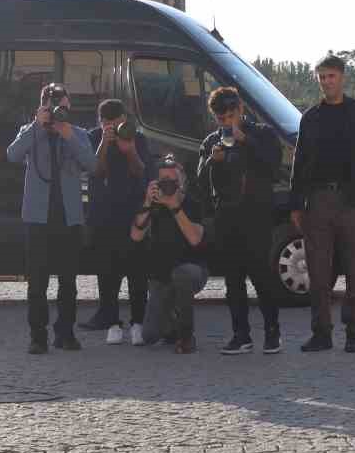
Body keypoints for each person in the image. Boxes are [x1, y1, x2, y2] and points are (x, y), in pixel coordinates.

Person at [289, 54, 355, 353]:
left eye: (331, 76)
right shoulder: (310, 118)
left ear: (342, 77)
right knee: (318, 272)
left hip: (353, 201)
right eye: (322, 77)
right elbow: (299, 163)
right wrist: (296, 203)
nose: (327, 82)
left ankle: (354, 331)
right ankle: (321, 332)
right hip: (317, 201)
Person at [7, 83, 96, 353]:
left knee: (68, 281)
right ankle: (38, 335)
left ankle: (65, 332)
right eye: (53, 105)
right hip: (37, 218)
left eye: (63, 104)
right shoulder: (31, 131)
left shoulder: (78, 133)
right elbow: (12, 155)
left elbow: (92, 165)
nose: (59, 109)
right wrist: (37, 125)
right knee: (37, 281)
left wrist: (67, 134)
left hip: (68, 218)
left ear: (69, 106)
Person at [199, 86, 284, 354]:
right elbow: (199, 181)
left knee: (261, 276)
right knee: (233, 280)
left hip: (256, 215)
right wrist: (213, 161)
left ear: (240, 110)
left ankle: (273, 333)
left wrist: (245, 140)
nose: (226, 122)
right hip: (227, 216)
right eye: (221, 118)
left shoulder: (262, 134)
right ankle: (241, 335)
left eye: (230, 116)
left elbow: (274, 169)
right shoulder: (212, 141)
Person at [81, 99, 152, 346]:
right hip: (103, 216)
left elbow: (142, 172)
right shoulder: (92, 137)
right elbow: (94, 170)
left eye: (117, 122)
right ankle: (112, 322)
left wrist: (129, 149)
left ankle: (138, 323)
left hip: (132, 214)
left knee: (137, 272)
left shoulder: (137, 138)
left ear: (125, 119)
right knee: (107, 273)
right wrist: (104, 142)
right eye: (107, 123)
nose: (113, 127)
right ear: (101, 123)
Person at [132, 155, 212, 354]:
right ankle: (172, 321)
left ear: (182, 182)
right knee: (150, 335)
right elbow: (135, 235)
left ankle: (186, 336)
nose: (168, 185)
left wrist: (174, 206)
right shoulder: (153, 204)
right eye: (163, 181)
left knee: (182, 275)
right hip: (161, 276)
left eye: (172, 181)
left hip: (192, 269)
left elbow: (194, 238)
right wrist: (147, 203)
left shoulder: (193, 204)